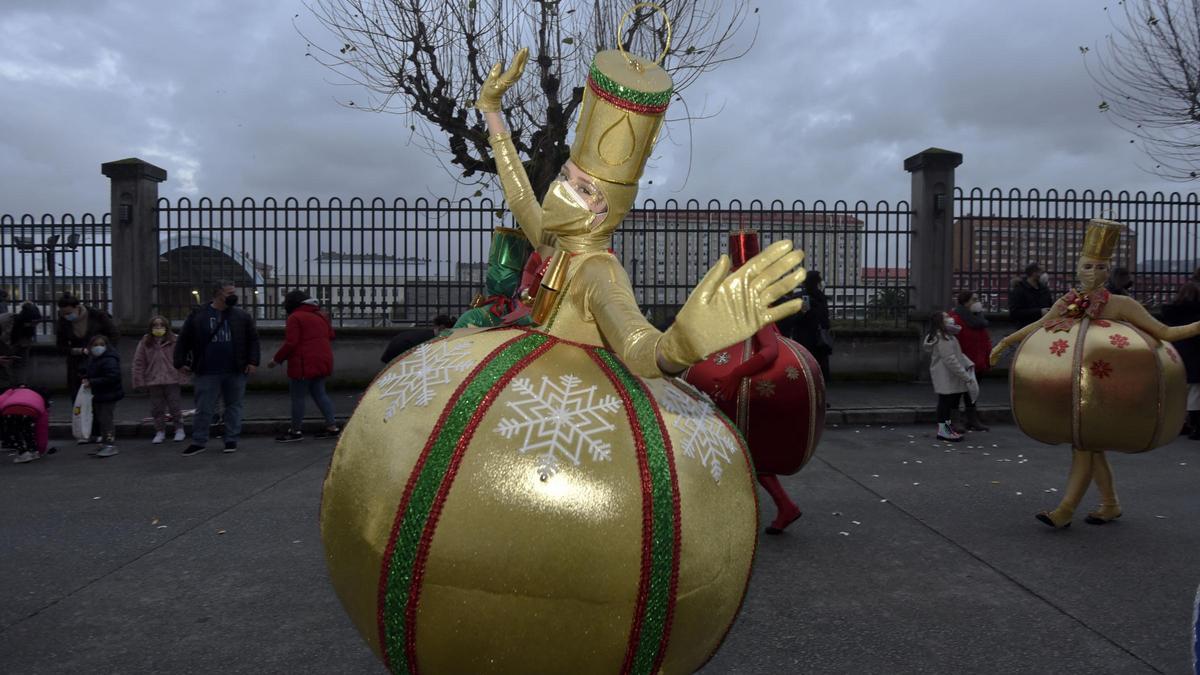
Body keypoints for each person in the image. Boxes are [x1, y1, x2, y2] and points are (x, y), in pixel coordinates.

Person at [991, 219, 1200, 528]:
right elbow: (1040, 325)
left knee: (1084, 449)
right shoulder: (1068, 302)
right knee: (1089, 447)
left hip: (1104, 392)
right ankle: (1110, 504)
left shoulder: (1121, 304)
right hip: (1077, 393)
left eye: (1101, 267)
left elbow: (1164, 331)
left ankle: (1064, 511)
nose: (1094, 272)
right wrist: (1007, 342)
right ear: (1078, 268)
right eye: (1088, 266)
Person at [174, 280, 260, 456]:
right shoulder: (199, 315)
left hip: (235, 369)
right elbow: (184, 339)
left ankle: (231, 439)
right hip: (207, 369)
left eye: (233, 292)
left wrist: (253, 362)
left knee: (234, 406)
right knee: (204, 407)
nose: (233, 296)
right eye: (229, 293)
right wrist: (179, 361)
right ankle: (199, 441)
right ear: (218, 294)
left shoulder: (241, 316)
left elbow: (253, 339)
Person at [269, 290, 339, 442]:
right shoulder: (321, 315)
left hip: (303, 363)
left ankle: (295, 431)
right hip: (323, 361)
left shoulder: (295, 317)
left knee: (298, 397)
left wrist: (276, 359)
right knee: (320, 394)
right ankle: (332, 427)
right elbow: (331, 336)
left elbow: (291, 343)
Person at [55, 293, 119, 442]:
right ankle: (84, 431)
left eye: (69, 313)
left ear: (77, 308)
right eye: (63, 314)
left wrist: (103, 350)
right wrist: (77, 350)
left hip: (98, 361)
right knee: (78, 398)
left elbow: (114, 334)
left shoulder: (97, 315)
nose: (66, 316)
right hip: (76, 363)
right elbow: (60, 346)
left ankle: (98, 432)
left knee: (98, 397)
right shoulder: (63, 322)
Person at [924, 311, 980, 442]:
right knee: (945, 404)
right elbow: (950, 359)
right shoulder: (944, 337)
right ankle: (944, 431)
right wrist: (965, 375)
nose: (950, 319)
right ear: (941, 322)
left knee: (946, 404)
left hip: (947, 375)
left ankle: (945, 430)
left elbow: (957, 356)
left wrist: (967, 364)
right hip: (946, 376)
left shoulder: (947, 336)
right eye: (946, 317)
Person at [132, 315, 189, 444]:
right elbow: (139, 362)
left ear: (166, 327)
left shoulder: (174, 340)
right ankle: (160, 431)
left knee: (175, 406)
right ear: (150, 328)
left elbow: (182, 358)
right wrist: (139, 380)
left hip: (171, 378)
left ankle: (179, 429)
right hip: (153, 379)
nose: (158, 328)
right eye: (155, 325)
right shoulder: (145, 342)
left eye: (161, 325)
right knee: (157, 408)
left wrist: (183, 373)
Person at [947, 292, 992, 432]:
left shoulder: (978, 319)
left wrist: (987, 357)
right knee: (956, 393)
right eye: (974, 300)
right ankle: (955, 420)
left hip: (977, 361)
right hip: (963, 362)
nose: (978, 302)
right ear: (965, 302)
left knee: (972, 393)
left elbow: (984, 340)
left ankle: (971, 419)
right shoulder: (955, 319)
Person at [1162, 281, 1200, 440]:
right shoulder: (1197, 313)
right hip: (1195, 357)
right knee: (1195, 394)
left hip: (1175, 355)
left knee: (1180, 392)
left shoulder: (1170, 312)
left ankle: (1180, 424)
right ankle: (1197, 427)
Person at [82, 334, 123, 458]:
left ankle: (110, 444)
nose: (98, 347)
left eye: (101, 345)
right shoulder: (94, 359)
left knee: (106, 420)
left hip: (108, 394)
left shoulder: (109, 359)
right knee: (101, 420)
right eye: (95, 345)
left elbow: (112, 377)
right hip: (100, 394)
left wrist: (92, 382)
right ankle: (105, 442)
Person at [792, 271, 832, 382]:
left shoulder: (800, 297)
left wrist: (803, 312)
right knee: (820, 367)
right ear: (817, 282)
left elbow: (795, 319)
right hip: (819, 338)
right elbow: (825, 321)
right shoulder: (822, 298)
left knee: (805, 366)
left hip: (803, 337)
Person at [0, 386, 52, 463]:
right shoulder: (40, 400)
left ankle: (23, 453)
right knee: (28, 431)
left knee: (14, 432)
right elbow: (42, 429)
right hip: (31, 412)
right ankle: (33, 451)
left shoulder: (13, 392)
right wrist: (41, 449)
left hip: (11, 410)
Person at [380, 314, 456, 364]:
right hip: (397, 355)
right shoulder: (430, 340)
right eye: (449, 331)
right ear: (442, 327)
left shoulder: (426, 335)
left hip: (394, 354)